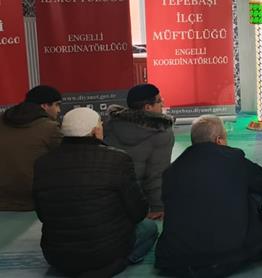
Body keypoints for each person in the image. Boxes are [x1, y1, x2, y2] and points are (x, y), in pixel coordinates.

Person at [33, 107, 157, 277]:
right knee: (149, 228)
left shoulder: (42, 163)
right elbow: (138, 212)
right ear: (95, 131)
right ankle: (120, 263)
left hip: (57, 257)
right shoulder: (118, 159)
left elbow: (42, 214)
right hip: (105, 255)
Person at [155, 115, 262, 277]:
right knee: (253, 193)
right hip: (227, 256)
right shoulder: (234, 159)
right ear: (219, 140)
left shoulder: (172, 170)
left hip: (177, 259)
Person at [104, 83, 174, 219]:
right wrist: (158, 207)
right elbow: (156, 175)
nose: (163, 103)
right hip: (137, 204)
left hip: (108, 200)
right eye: (159, 100)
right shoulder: (161, 132)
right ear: (148, 107)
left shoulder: (110, 125)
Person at [0, 85, 62, 211]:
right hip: (33, 202)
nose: (59, 110)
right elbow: (66, 163)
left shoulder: (1, 119)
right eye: (57, 105)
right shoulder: (50, 128)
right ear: (44, 106)